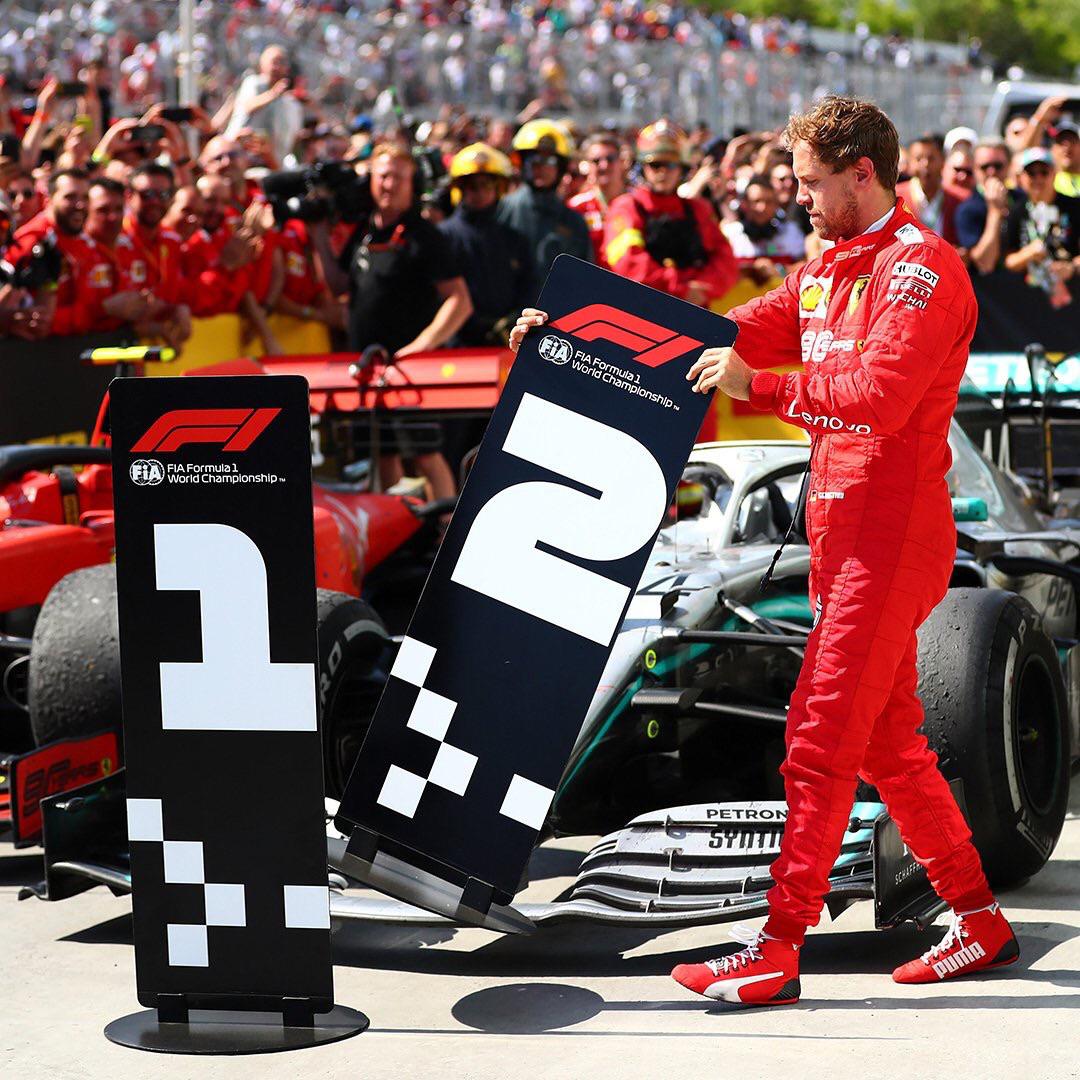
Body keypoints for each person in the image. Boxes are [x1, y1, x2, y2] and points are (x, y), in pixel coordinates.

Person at [511, 96, 1016, 1006]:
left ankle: (778, 945)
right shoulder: (823, 270)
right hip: (842, 533)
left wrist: (762, 386)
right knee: (888, 745)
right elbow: (715, 333)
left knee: (818, 737)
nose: (799, 201)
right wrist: (568, 338)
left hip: (890, 537)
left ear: (865, 172)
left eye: (813, 184)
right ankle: (977, 919)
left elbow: (881, 397)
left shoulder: (925, 271)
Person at [311, 142, 472, 500]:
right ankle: (399, 533)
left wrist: (422, 346)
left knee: (426, 453)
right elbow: (340, 284)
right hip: (368, 367)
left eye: (399, 178)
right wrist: (318, 233)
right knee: (383, 453)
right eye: (383, 176)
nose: (389, 185)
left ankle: (445, 530)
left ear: (412, 184)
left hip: (409, 370)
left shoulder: (424, 234)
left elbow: (459, 301)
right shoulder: (366, 230)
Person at [603, 119, 737, 306]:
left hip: (694, 311)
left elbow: (725, 260)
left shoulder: (698, 209)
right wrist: (680, 289)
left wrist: (703, 287)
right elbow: (627, 262)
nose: (663, 172)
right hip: (640, 310)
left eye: (671, 165)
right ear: (643, 168)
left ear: (681, 168)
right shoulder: (626, 207)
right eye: (655, 165)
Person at [439, 142, 534, 346]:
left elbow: (528, 287)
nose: (480, 192)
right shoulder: (443, 236)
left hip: (505, 342)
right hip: (456, 345)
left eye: (487, 184)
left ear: (497, 187)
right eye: (472, 185)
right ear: (460, 189)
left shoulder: (514, 238)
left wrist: (514, 319)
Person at [497, 119, 592, 281]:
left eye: (550, 161)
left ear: (561, 167)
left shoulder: (574, 222)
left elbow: (584, 280)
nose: (540, 167)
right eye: (533, 160)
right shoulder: (501, 211)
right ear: (521, 163)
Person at [1003, 147, 1080, 309]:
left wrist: (1071, 267)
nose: (1038, 178)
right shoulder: (1017, 211)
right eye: (1031, 173)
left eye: (1044, 172)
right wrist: (1028, 254)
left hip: (1073, 298)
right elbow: (1008, 260)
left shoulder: (1075, 207)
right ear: (1022, 178)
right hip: (1030, 304)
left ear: (1054, 173)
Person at [721, 173, 807, 284]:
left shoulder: (791, 231)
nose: (762, 208)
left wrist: (780, 269)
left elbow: (806, 267)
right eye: (756, 201)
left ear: (776, 204)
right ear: (745, 203)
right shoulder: (730, 234)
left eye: (768, 201)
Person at [225, 45, 304, 164]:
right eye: (274, 62)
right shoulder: (254, 83)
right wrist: (273, 93)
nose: (277, 67)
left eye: (281, 62)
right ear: (262, 64)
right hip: (241, 157)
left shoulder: (290, 103)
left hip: (271, 162)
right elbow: (248, 106)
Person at [954, 137, 1014, 274]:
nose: (991, 172)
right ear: (974, 169)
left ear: (1009, 165)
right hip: (987, 292)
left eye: (998, 166)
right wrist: (995, 211)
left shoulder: (1022, 199)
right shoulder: (967, 209)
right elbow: (984, 263)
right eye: (984, 167)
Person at [567, 133, 627, 267]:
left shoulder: (637, 204)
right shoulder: (577, 207)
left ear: (622, 162)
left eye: (610, 159)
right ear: (586, 165)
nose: (604, 165)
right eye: (596, 161)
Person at [896, 133, 961, 244]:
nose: (925, 164)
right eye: (918, 159)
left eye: (931, 159)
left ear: (943, 161)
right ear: (910, 162)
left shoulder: (957, 199)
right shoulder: (896, 196)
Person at [1052, 122, 1080, 199]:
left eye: (1072, 141)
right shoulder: (1045, 181)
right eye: (1060, 142)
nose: (1067, 147)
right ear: (1053, 149)